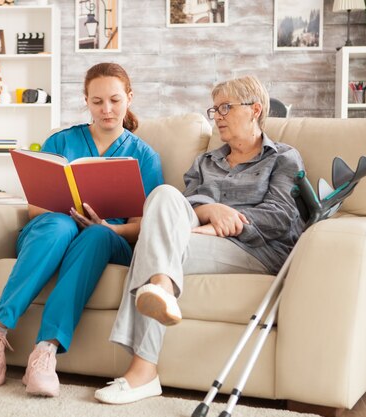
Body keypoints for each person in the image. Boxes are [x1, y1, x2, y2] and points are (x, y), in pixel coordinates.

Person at [94, 75, 305, 404]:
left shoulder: (283, 157)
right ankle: (161, 289)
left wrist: (218, 224)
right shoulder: (206, 161)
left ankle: (143, 370)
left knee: (156, 243)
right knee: (163, 196)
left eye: (225, 108)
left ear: (254, 110)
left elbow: (279, 216)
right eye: (214, 109)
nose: (217, 116)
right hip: (198, 238)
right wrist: (212, 210)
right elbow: (186, 204)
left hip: (256, 251)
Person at [0, 62, 164, 398]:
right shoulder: (60, 141)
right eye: (98, 101)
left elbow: (144, 227)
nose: (107, 109)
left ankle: (45, 351)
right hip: (53, 229)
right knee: (60, 226)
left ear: (129, 98)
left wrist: (107, 227)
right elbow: (35, 209)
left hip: (109, 240)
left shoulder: (145, 156)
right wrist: (69, 215)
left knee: (96, 235)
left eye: (115, 100)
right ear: (86, 101)